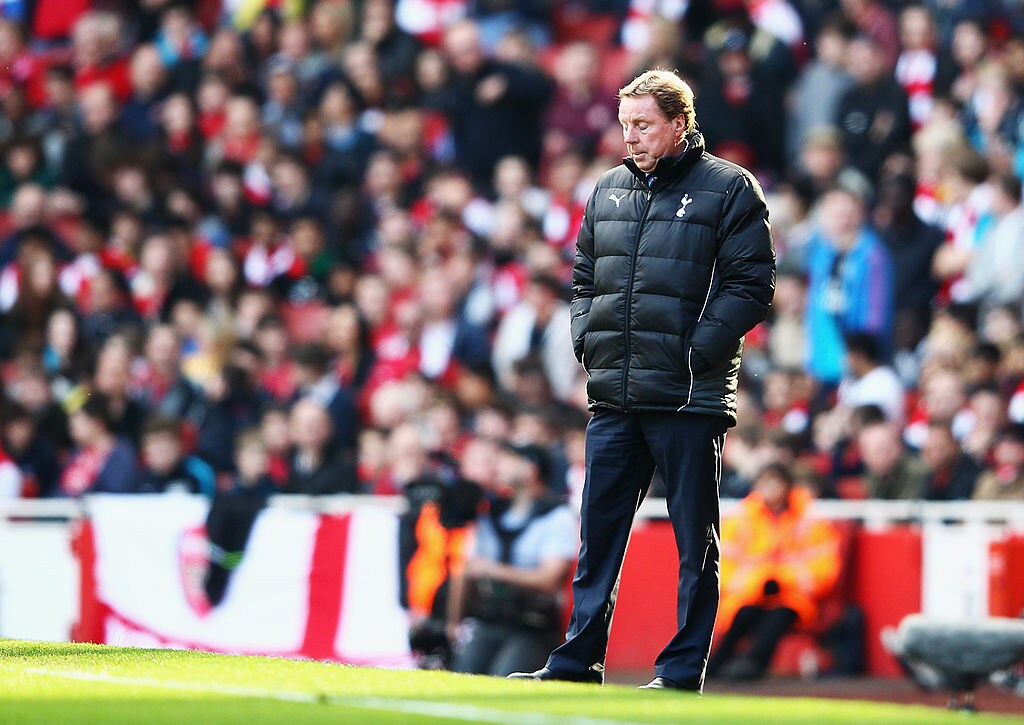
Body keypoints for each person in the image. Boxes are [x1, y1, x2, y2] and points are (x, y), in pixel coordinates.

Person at [509, 69, 775, 691]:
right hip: (614, 394)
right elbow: (582, 277)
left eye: (643, 125)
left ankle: (681, 671)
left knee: (693, 541)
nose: (630, 136)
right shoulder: (607, 189)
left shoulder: (729, 187)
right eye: (625, 124)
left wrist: (694, 354)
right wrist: (587, 339)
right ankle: (577, 663)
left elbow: (751, 286)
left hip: (688, 397)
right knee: (597, 533)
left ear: (679, 124)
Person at [452, 444, 577, 676]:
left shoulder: (556, 515)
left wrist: (493, 570)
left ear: (531, 469)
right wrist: (454, 622)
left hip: (532, 625)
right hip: (488, 619)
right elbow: (464, 567)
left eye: (508, 459)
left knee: (506, 676)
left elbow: (548, 579)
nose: (498, 466)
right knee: (461, 675)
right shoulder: (491, 510)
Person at [709, 463, 840, 681]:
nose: (769, 489)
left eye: (774, 482)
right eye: (764, 483)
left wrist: (782, 579)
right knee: (744, 613)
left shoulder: (810, 519)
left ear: (787, 486)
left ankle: (752, 664)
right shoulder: (742, 517)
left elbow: (824, 568)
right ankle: (718, 662)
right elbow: (725, 563)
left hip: (793, 596)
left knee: (779, 614)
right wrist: (760, 581)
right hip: (751, 593)